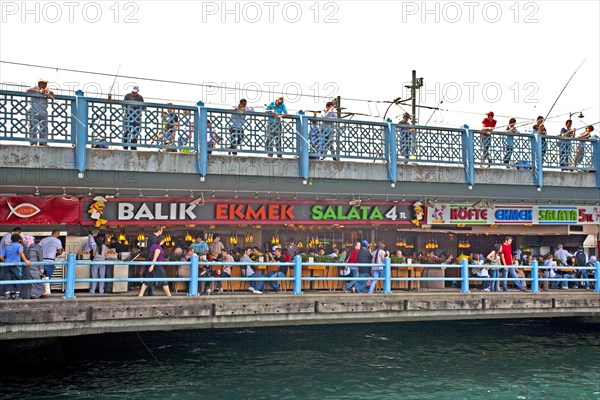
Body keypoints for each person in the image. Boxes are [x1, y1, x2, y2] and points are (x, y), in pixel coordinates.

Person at [0, 234, 31, 300]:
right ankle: (17, 295)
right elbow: (20, 252)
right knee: (18, 279)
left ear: (11, 239)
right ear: (19, 240)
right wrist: (26, 260)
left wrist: (5, 261)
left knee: (7, 279)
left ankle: (7, 295)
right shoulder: (19, 246)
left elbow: (1, 257)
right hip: (16, 265)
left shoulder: (6, 247)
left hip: (7, 265)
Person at [26, 79, 54, 145]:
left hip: (43, 112)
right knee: (33, 127)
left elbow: (52, 94)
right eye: (43, 83)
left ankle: (43, 142)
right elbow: (28, 90)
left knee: (44, 127)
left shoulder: (46, 90)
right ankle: (33, 142)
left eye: (46, 84)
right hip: (34, 111)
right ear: (39, 83)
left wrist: (49, 93)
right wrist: (39, 91)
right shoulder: (34, 88)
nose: (45, 85)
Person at [21, 235, 45, 299]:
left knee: (36, 281)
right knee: (27, 282)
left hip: (35, 268)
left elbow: (40, 258)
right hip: (25, 268)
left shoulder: (37, 247)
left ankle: (38, 294)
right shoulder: (23, 247)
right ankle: (29, 295)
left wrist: (41, 267)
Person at [123, 85, 145, 150]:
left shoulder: (140, 98)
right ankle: (125, 145)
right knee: (127, 131)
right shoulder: (127, 96)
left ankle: (133, 146)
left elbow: (143, 107)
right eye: (133, 92)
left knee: (135, 132)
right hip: (128, 116)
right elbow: (124, 104)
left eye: (135, 92)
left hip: (136, 117)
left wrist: (136, 106)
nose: (133, 93)